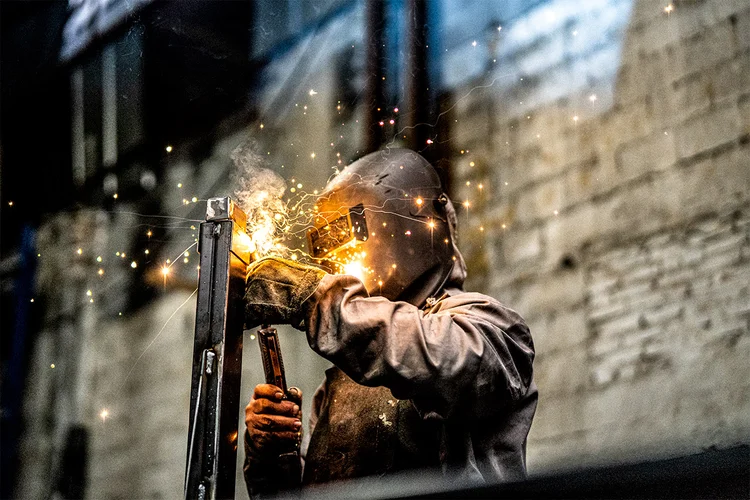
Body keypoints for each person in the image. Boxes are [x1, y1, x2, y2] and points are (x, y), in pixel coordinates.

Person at [242, 148, 537, 497]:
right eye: (331, 245)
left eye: (350, 235)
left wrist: (312, 296)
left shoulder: (493, 330)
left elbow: (433, 357)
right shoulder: (342, 380)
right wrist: (272, 456)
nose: (341, 258)